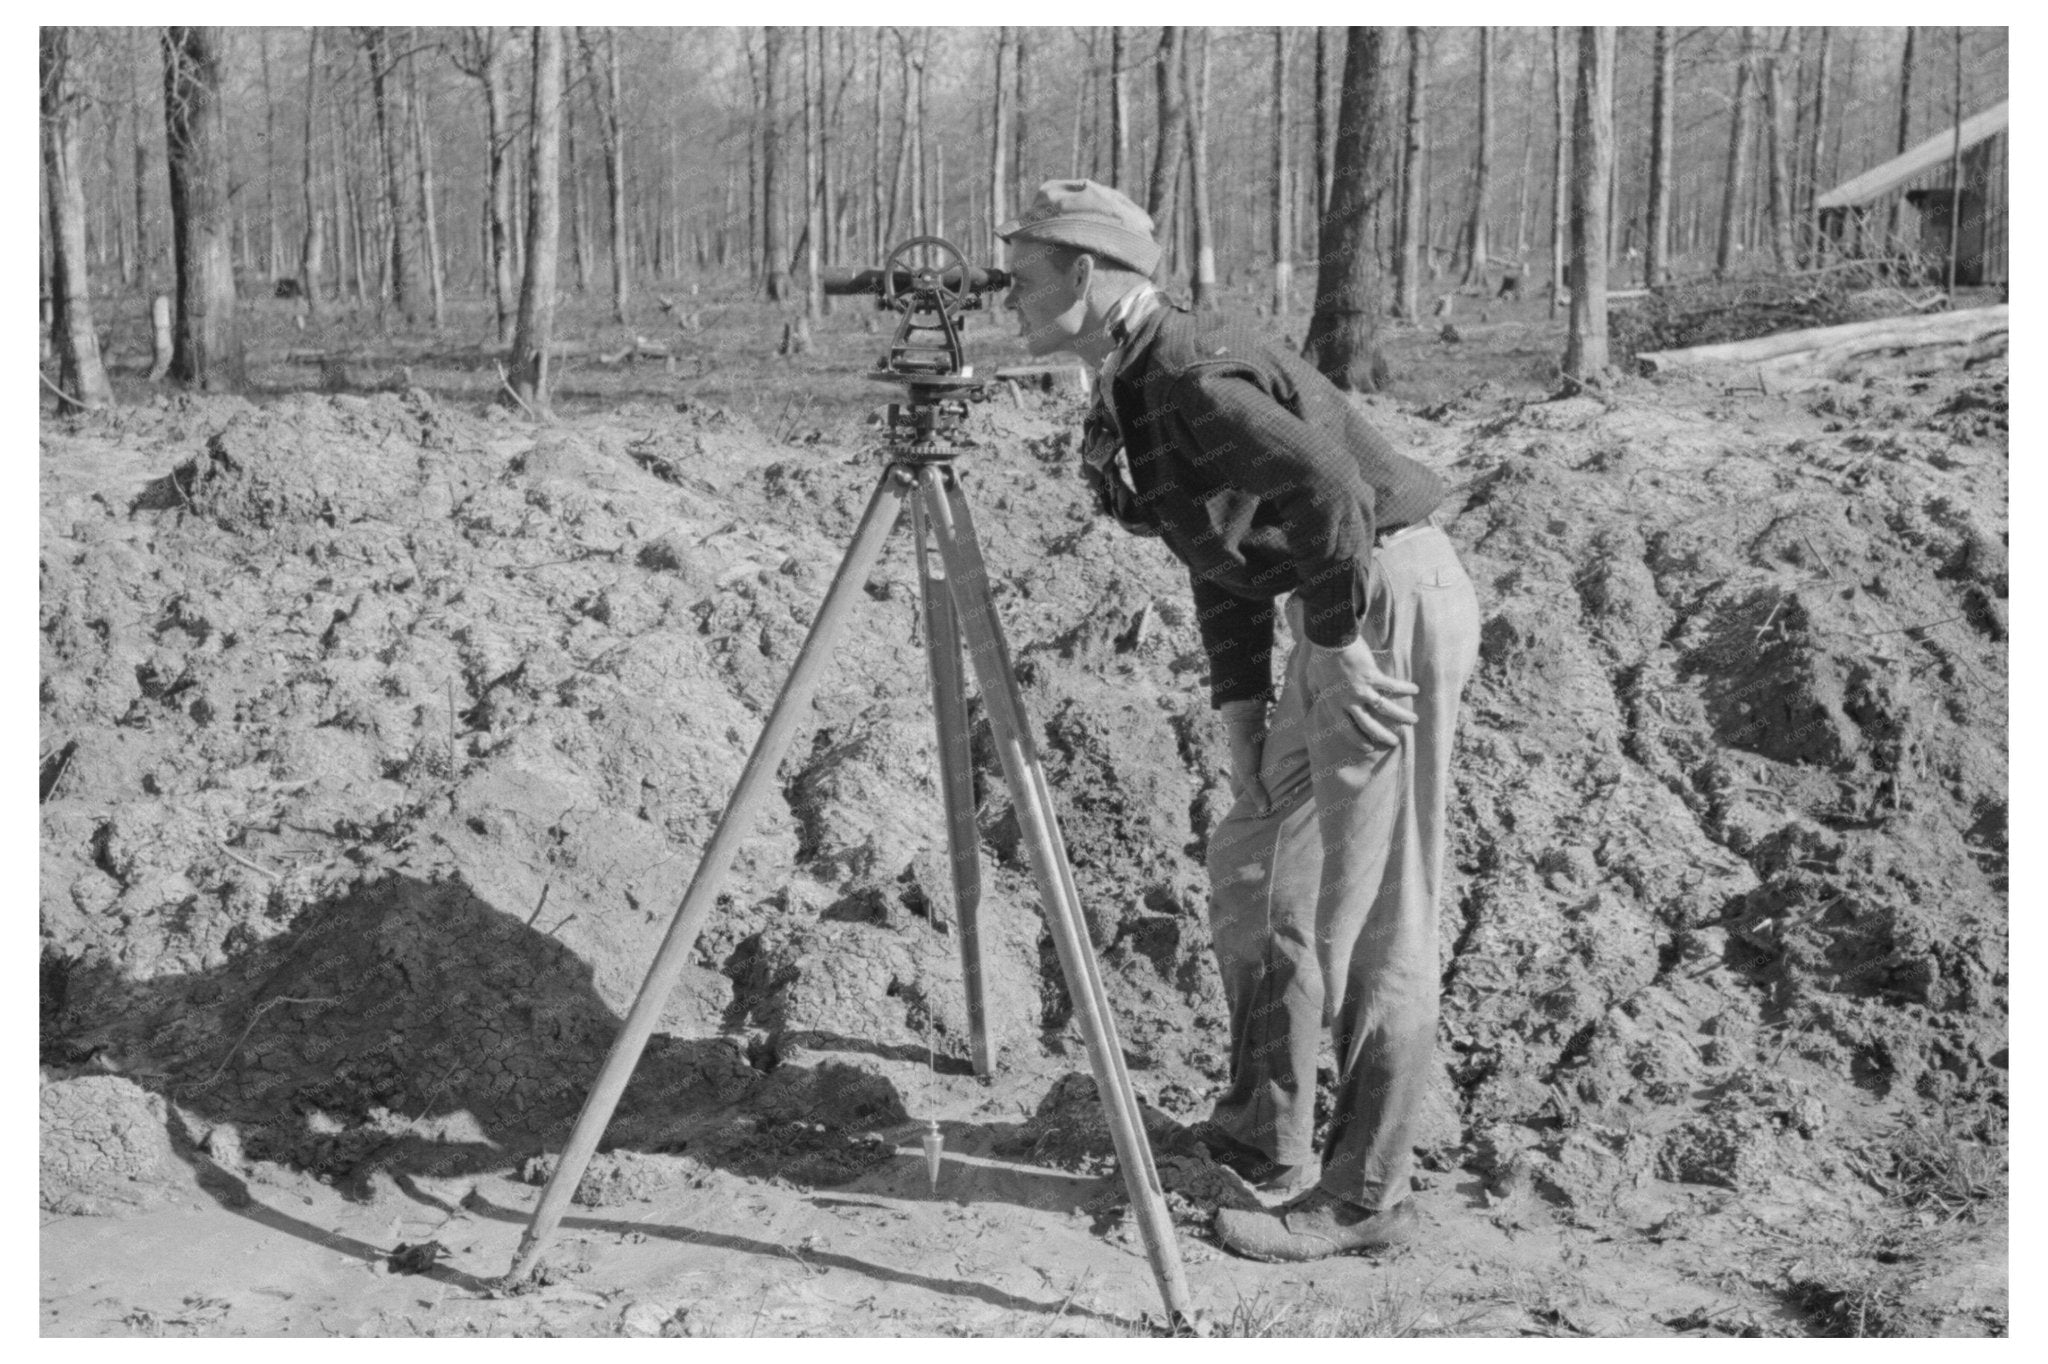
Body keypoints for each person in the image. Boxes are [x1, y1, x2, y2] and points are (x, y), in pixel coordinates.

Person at [996, 180, 1481, 1262]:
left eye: (1024, 277)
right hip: (1328, 603)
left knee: (1374, 904)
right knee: (1257, 867)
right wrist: (1239, 722)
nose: (1006, 299)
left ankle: (1364, 1196)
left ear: (1084, 275)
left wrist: (1343, 644)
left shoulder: (1184, 371)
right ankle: (1267, 1135)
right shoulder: (1130, 376)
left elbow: (1326, 491)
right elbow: (1220, 550)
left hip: (1374, 597)